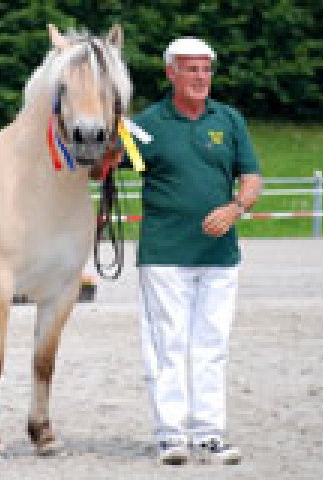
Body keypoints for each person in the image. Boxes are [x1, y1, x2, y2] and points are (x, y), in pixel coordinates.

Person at [130, 37, 262, 465]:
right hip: (165, 254)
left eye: (206, 69)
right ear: (171, 73)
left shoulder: (229, 119)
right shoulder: (147, 123)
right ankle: (171, 435)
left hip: (220, 256)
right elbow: (104, 166)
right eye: (191, 69)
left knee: (212, 344)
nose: (201, 77)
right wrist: (110, 138)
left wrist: (236, 207)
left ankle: (208, 433)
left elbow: (252, 178)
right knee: (168, 344)